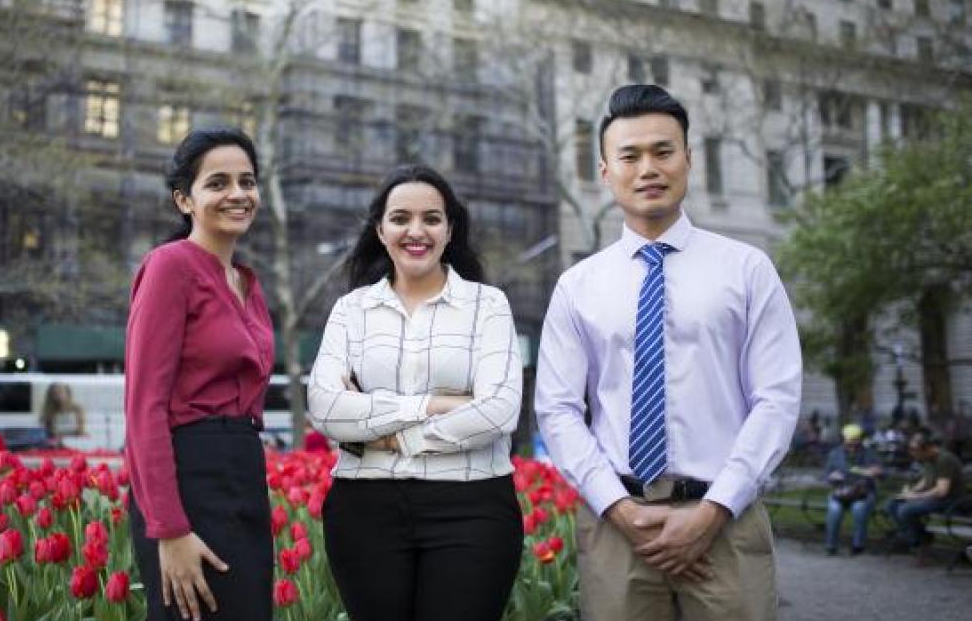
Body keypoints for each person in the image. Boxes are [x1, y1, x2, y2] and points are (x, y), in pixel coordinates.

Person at [534, 84, 802, 621]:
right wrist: (621, 508)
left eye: (663, 151)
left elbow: (775, 399)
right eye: (630, 156)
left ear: (689, 160)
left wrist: (712, 510)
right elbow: (557, 409)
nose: (648, 168)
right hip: (616, 528)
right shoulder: (578, 285)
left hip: (726, 521)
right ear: (606, 172)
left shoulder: (747, 270)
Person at [307, 165, 524, 621]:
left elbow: (499, 412)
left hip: (472, 508)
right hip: (364, 510)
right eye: (401, 218)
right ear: (381, 230)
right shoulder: (351, 311)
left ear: (450, 230)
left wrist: (391, 437)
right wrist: (436, 404)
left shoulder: (488, 306)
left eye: (431, 218)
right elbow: (326, 408)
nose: (416, 231)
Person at [124, 126, 275, 621]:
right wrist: (167, 529)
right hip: (189, 484)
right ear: (185, 199)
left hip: (243, 477)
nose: (238, 194)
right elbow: (144, 407)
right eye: (218, 183)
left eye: (247, 182)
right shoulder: (170, 267)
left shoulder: (248, 284)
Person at [884, 428, 966, 550]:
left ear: (927, 448)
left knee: (905, 510)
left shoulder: (945, 460)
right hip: (934, 498)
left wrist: (916, 497)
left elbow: (941, 491)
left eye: (916, 452)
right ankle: (917, 537)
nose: (914, 455)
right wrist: (911, 492)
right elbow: (925, 481)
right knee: (892, 504)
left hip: (950, 500)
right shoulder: (927, 459)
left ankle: (916, 541)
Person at [823, 423, 882, 556]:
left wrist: (876, 471)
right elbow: (826, 475)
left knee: (859, 509)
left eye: (856, 440)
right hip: (841, 492)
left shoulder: (869, 453)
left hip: (863, 493)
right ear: (844, 439)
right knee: (834, 510)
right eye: (850, 441)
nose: (853, 445)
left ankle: (858, 545)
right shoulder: (835, 454)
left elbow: (882, 472)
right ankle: (831, 545)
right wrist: (832, 476)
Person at [40, 382, 86, 447]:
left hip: (74, 443)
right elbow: (47, 431)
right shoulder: (49, 411)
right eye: (55, 393)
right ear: (51, 395)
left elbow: (81, 430)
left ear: (68, 393)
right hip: (55, 446)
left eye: (61, 392)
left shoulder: (77, 409)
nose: (59, 396)